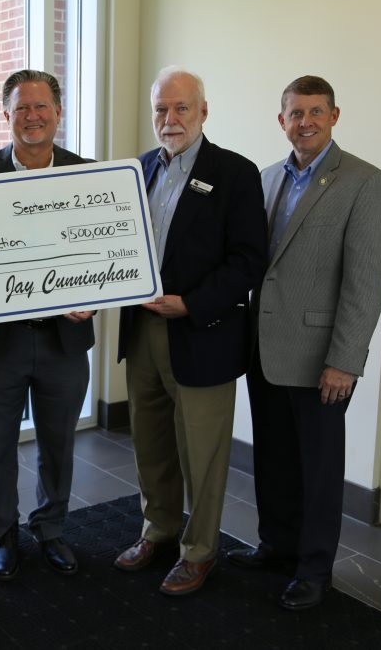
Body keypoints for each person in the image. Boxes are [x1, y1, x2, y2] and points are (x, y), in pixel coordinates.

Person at [228, 75, 381, 610]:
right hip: (265, 349)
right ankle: (277, 545)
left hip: (322, 358)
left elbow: (365, 283)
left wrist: (345, 362)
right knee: (273, 458)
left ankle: (315, 568)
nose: (306, 122)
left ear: (334, 116)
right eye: (296, 114)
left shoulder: (366, 183)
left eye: (316, 112)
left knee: (319, 471)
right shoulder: (266, 177)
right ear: (282, 121)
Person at [112, 66, 268, 595]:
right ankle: (158, 530)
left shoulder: (236, 174)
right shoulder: (137, 171)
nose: (170, 119)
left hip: (202, 333)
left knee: (202, 454)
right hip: (142, 333)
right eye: (161, 109)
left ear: (203, 111)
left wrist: (193, 304)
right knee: (150, 445)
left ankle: (200, 552)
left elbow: (249, 261)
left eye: (181, 108)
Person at [0, 69, 94, 581]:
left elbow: (102, 251)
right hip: (0, 342)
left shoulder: (89, 175)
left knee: (59, 441)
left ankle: (51, 528)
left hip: (64, 339)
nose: (32, 116)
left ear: (58, 113)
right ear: (6, 116)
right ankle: (2, 533)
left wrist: (95, 300)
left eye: (41, 107)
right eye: (21, 108)